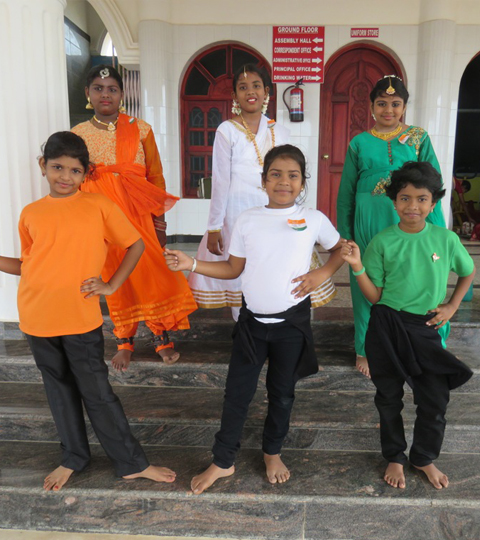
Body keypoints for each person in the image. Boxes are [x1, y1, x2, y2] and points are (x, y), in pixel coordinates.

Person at [0, 132, 176, 491]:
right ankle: (73, 458)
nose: (65, 176)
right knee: (58, 391)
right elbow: (29, 264)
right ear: (43, 166)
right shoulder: (31, 213)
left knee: (97, 393)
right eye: (57, 167)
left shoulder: (98, 206)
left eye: (75, 170)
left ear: (86, 173)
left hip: (80, 320)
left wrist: (110, 286)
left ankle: (131, 464)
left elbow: (135, 244)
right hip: (36, 316)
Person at [165, 145, 345, 494]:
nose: (284, 181)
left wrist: (322, 272)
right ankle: (223, 460)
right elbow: (234, 268)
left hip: (292, 326)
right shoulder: (248, 219)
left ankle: (272, 452)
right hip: (252, 325)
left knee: (282, 393)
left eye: (293, 175)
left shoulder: (313, 219)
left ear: (302, 182)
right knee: (236, 393)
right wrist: (192, 264)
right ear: (263, 181)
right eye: (275, 174)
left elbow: (340, 248)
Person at [341, 161, 475, 490]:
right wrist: (357, 267)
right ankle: (394, 456)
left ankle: (423, 457)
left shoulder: (446, 239)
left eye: (421, 198)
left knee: (435, 398)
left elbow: (467, 271)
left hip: (427, 326)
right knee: (388, 397)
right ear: (394, 201)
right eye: (404, 198)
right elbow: (375, 296)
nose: (412, 206)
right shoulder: (383, 241)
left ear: (433, 202)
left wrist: (452, 306)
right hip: (387, 325)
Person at [72, 65, 196, 371]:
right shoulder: (77, 135)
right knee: (116, 278)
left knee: (152, 274)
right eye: (98, 88)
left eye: (112, 89)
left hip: (139, 216)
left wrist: (160, 222)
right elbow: (72, 177)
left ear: (122, 94)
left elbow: (156, 176)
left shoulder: (140, 129)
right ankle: (124, 340)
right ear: (88, 93)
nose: (105, 94)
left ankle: (161, 336)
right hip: (102, 220)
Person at [189, 64, 336, 320]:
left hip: (275, 210)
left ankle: (284, 316)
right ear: (234, 95)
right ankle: (245, 325)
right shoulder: (226, 130)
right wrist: (214, 227)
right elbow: (221, 181)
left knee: (278, 261)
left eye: (256, 86)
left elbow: (288, 173)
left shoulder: (279, 131)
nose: (250, 92)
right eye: (243, 87)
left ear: (266, 91)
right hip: (237, 211)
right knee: (241, 267)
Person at [337, 75, 446, 378]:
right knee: (366, 281)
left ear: (404, 106)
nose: (389, 110)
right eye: (382, 103)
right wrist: (345, 234)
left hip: (410, 219)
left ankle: (424, 343)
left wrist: (438, 231)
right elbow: (346, 193)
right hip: (369, 221)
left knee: (414, 278)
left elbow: (433, 185)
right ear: (372, 106)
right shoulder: (359, 143)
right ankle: (365, 348)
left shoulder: (418, 137)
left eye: (395, 103)